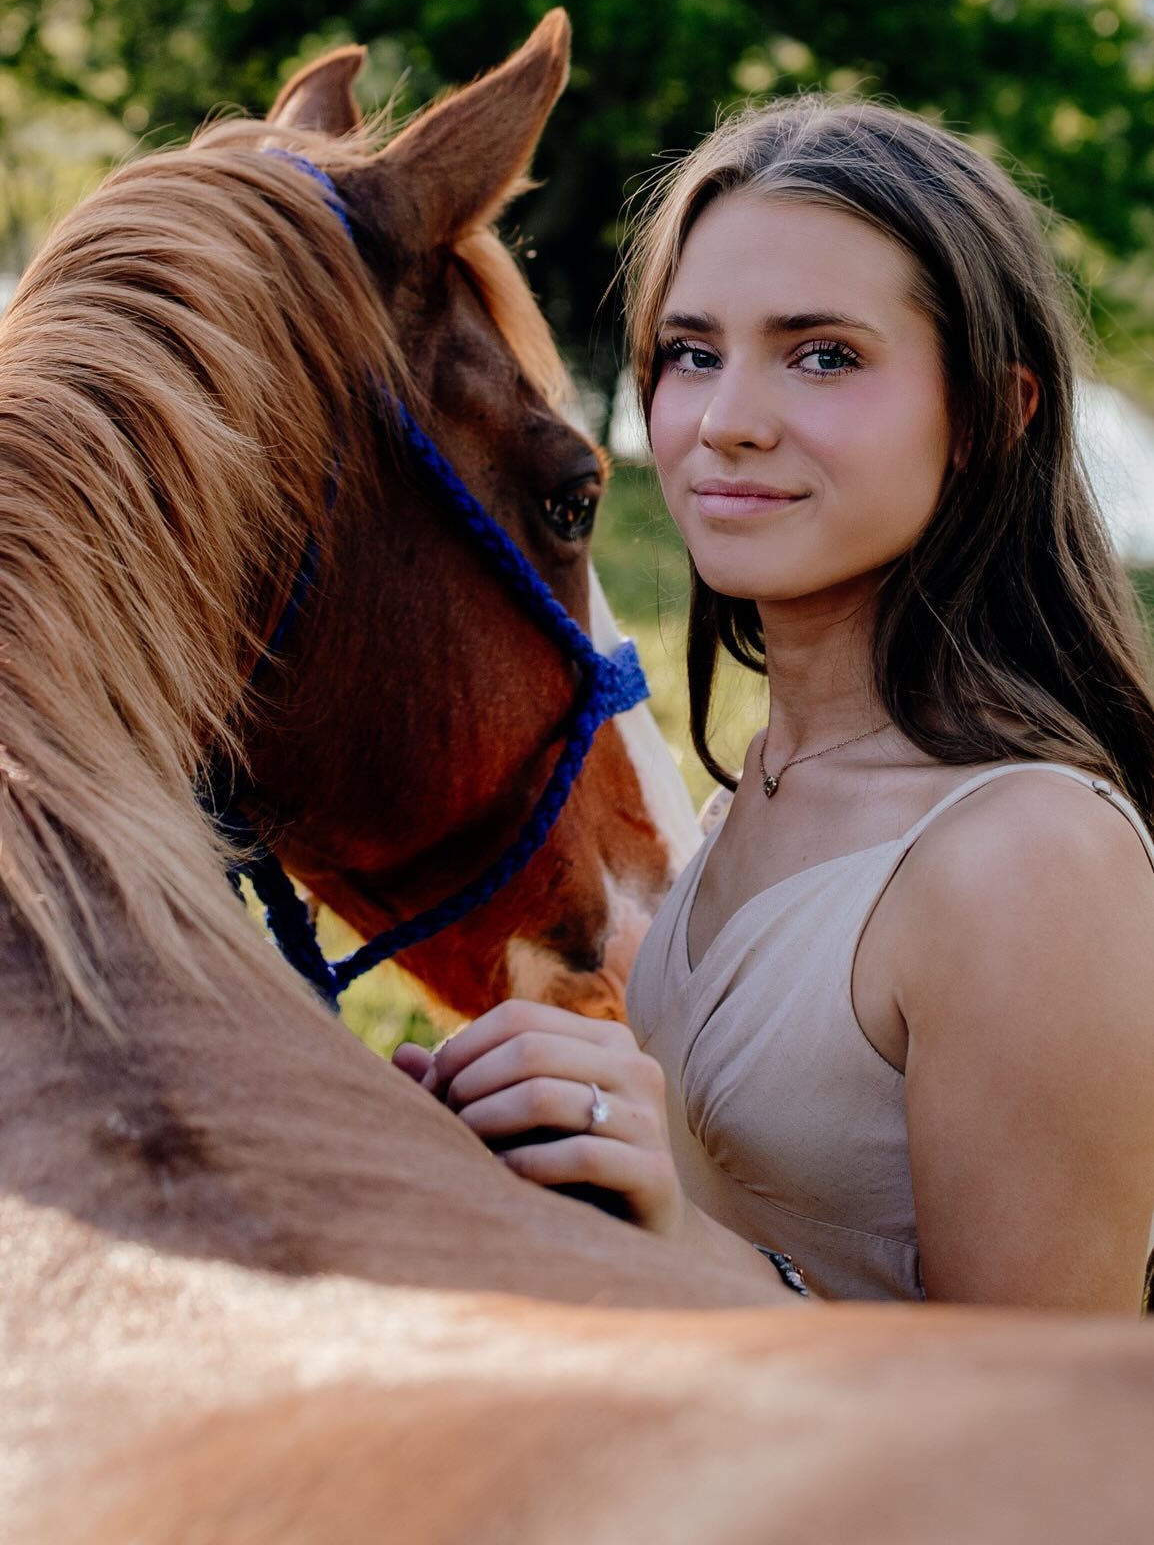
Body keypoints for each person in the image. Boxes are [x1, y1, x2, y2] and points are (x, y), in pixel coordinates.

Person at [395, 96, 1154, 1309]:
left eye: (822, 355)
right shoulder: (758, 784)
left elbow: (1037, 1442)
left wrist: (676, 1240)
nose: (723, 423)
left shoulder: (1029, 859)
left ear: (990, 416)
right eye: (692, 352)